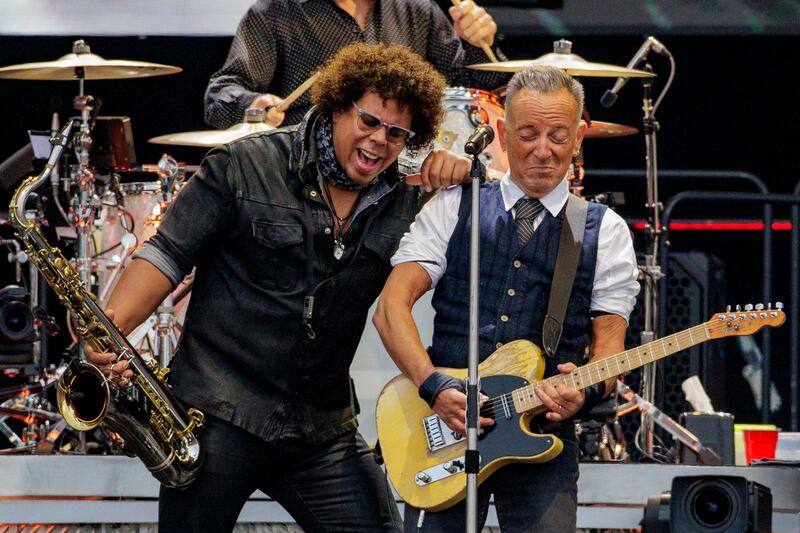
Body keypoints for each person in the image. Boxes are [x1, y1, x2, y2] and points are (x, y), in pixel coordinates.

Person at [88, 43, 472, 532]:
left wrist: (462, 176)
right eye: (370, 122)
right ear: (335, 106)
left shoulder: (404, 200)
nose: (380, 141)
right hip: (217, 417)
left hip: (322, 430)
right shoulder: (243, 165)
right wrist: (108, 329)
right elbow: (165, 255)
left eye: (397, 133)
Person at [372, 65, 640, 532]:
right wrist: (432, 386)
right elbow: (391, 309)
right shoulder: (456, 204)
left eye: (558, 135)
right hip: (444, 425)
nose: (542, 149)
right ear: (501, 131)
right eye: (528, 133)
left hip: (543, 436)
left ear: (579, 136)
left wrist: (587, 389)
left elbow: (610, 350)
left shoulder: (604, 230)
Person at [204, 0, 510, 129]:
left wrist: (479, 44)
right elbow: (220, 95)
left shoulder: (417, 10)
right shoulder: (275, 13)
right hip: (306, 184)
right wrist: (255, 105)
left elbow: (467, 92)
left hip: (401, 182)